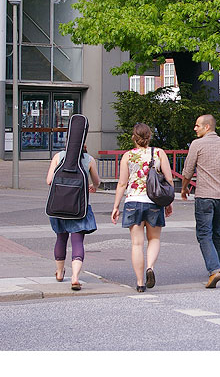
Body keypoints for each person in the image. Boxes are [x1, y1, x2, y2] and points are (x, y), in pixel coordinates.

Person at [180, 114, 220, 289]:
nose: (195, 128)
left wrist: (184, 188)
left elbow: (188, 170)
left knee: (203, 234)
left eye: (197, 125)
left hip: (205, 196)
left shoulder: (197, 145)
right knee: (218, 233)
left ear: (207, 127)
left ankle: (214, 269)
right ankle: (216, 267)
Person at [111, 123, 174, 292]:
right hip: (154, 202)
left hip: (133, 201)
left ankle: (140, 283)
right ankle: (150, 267)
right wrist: (169, 202)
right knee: (154, 239)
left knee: (136, 244)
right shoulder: (159, 153)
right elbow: (168, 179)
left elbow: (122, 183)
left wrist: (116, 206)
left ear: (134, 137)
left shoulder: (128, 156)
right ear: (149, 136)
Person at [46, 145, 100, 291]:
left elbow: (49, 180)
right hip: (79, 207)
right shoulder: (89, 159)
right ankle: (75, 277)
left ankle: (59, 272)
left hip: (59, 206)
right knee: (77, 241)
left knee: (61, 238)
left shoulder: (58, 157)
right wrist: (93, 186)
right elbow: (97, 181)